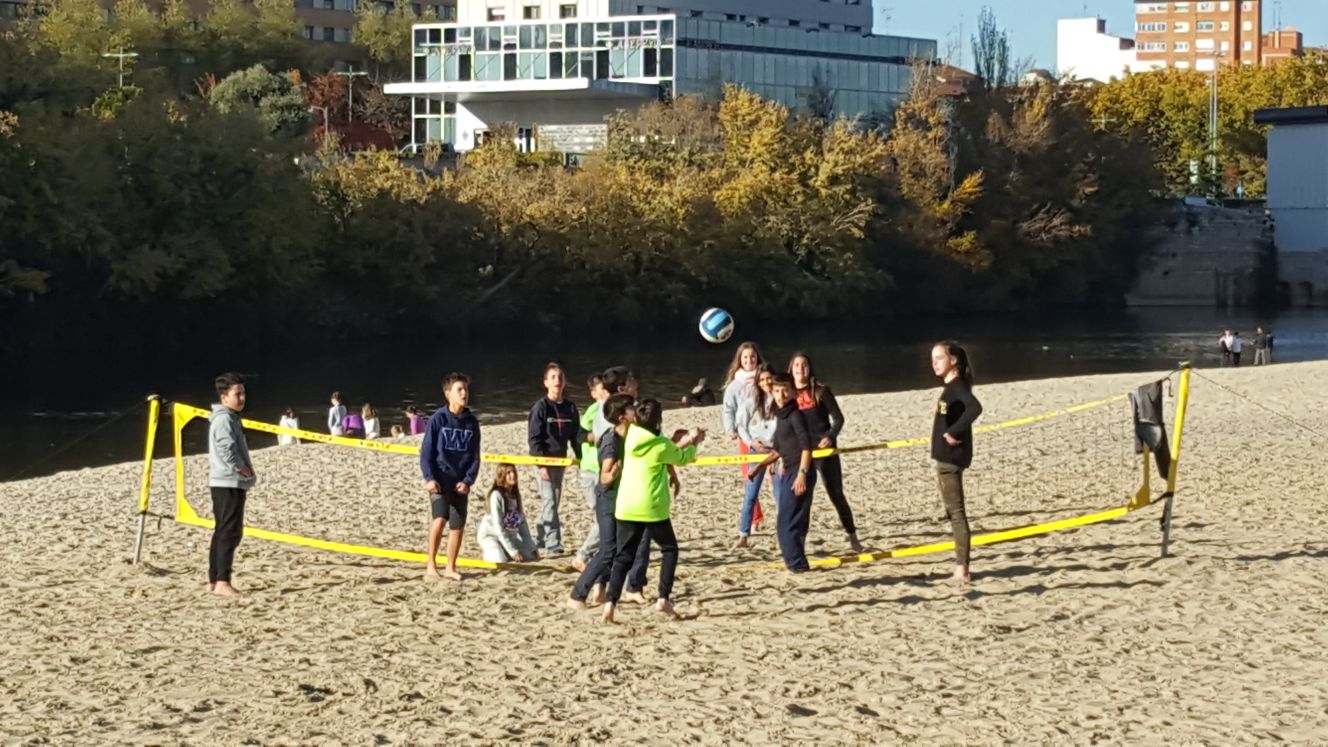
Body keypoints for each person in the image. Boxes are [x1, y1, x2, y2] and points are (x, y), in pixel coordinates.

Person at [602, 399, 705, 623]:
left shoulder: (631, 436)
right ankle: (663, 598)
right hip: (652, 507)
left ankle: (610, 603)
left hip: (627, 505)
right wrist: (694, 441)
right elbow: (683, 457)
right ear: (658, 421)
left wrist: (679, 440)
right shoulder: (660, 445)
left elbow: (662, 444)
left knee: (623, 557)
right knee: (670, 549)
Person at [568, 393, 650, 609]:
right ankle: (577, 595)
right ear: (622, 417)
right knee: (607, 550)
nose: (636, 410)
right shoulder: (611, 442)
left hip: (623, 499)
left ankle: (606, 590)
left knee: (625, 546)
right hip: (608, 500)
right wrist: (611, 475)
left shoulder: (631, 436)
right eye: (632, 408)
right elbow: (604, 476)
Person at [789, 352, 863, 553]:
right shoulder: (788, 393)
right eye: (797, 365)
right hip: (803, 451)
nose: (800, 368)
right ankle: (800, 543)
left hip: (824, 449)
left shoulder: (821, 391)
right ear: (791, 369)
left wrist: (830, 436)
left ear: (809, 368)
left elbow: (838, 419)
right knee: (803, 498)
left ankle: (852, 536)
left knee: (836, 493)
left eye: (804, 364)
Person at [931, 341, 983, 585]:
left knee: (957, 513)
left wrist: (954, 432)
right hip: (945, 459)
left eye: (939, 358)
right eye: (933, 359)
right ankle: (960, 566)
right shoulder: (951, 387)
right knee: (951, 513)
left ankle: (962, 570)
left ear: (953, 361)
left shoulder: (958, 386)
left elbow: (975, 408)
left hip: (951, 460)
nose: (934, 363)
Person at [750, 373, 815, 572]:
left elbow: (807, 447)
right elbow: (778, 449)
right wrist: (759, 467)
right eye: (777, 391)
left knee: (787, 523)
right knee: (788, 522)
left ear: (793, 391)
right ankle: (798, 564)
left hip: (799, 471)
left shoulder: (795, 415)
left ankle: (797, 566)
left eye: (785, 390)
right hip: (787, 470)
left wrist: (802, 474)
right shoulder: (781, 415)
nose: (781, 395)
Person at [420, 373, 481, 581]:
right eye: (459, 390)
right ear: (448, 394)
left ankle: (450, 567)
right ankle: (431, 564)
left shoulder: (472, 422)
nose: (464, 393)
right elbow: (426, 453)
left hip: (460, 481)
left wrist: (468, 481)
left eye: (466, 389)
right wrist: (429, 478)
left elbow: (475, 457)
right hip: (439, 479)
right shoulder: (438, 419)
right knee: (439, 518)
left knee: (457, 525)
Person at [208, 372, 256, 597]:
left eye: (243, 393)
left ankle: (214, 580)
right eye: (238, 394)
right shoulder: (224, 419)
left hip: (226, 481)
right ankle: (222, 582)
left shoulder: (229, 418)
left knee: (224, 531)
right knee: (229, 532)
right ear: (224, 397)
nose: (242, 398)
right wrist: (242, 468)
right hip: (227, 482)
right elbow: (226, 448)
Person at [527, 362, 582, 556]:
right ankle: (553, 543)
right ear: (546, 382)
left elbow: (576, 436)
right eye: (553, 377)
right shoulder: (540, 407)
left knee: (552, 501)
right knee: (549, 500)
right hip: (544, 461)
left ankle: (539, 538)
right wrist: (541, 464)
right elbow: (534, 439)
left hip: (561, 461)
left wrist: (582, 458)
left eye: (560, 377)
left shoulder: (570, 407)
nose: (557, 380)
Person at [721, 342, 765, 533]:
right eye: (745, 357)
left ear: (757, 358)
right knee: (750, 477)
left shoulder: (764, 379)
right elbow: (728, 409)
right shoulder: (734, 385)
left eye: (752, 356)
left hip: (767, 434)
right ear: (740, 360)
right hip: (746, 436)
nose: (749, 360)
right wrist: (730, 428)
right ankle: (755, 518)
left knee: (776, 476)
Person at [734, 364, 778, 547]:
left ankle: (783, 533)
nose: (766, 383)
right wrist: (751, 442)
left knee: (780, 495)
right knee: (750, 494)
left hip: (776, 452)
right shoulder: (752, 401)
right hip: (756, 450)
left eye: (769, 378)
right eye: (762, 379)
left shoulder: (781, 398)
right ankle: (743, 535)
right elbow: (741, 425)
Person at [573, 373, 608, 573]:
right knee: (604, 518)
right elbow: (579, 436)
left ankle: (594, 554)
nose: (606, 392)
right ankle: (582, 555)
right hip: (591, 470)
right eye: (601, 389)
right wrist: (595, 436)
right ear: (593, 393)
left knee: (606, 517)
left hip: (603, 469)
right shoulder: (594, 410)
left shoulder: (610, 408)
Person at [476, 463, 538, 563]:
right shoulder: (496, 495)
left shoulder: (516, 496)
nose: (512, 475)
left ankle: (505, 550)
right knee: (500, 559)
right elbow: (498, 526)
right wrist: (512, 551)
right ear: (502, 476)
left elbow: (522, 525)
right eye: (508, 473)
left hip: (509, 537)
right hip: (492, 535)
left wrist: (531, 547)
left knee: (529, 555)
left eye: (513, 472)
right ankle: (490, 551)